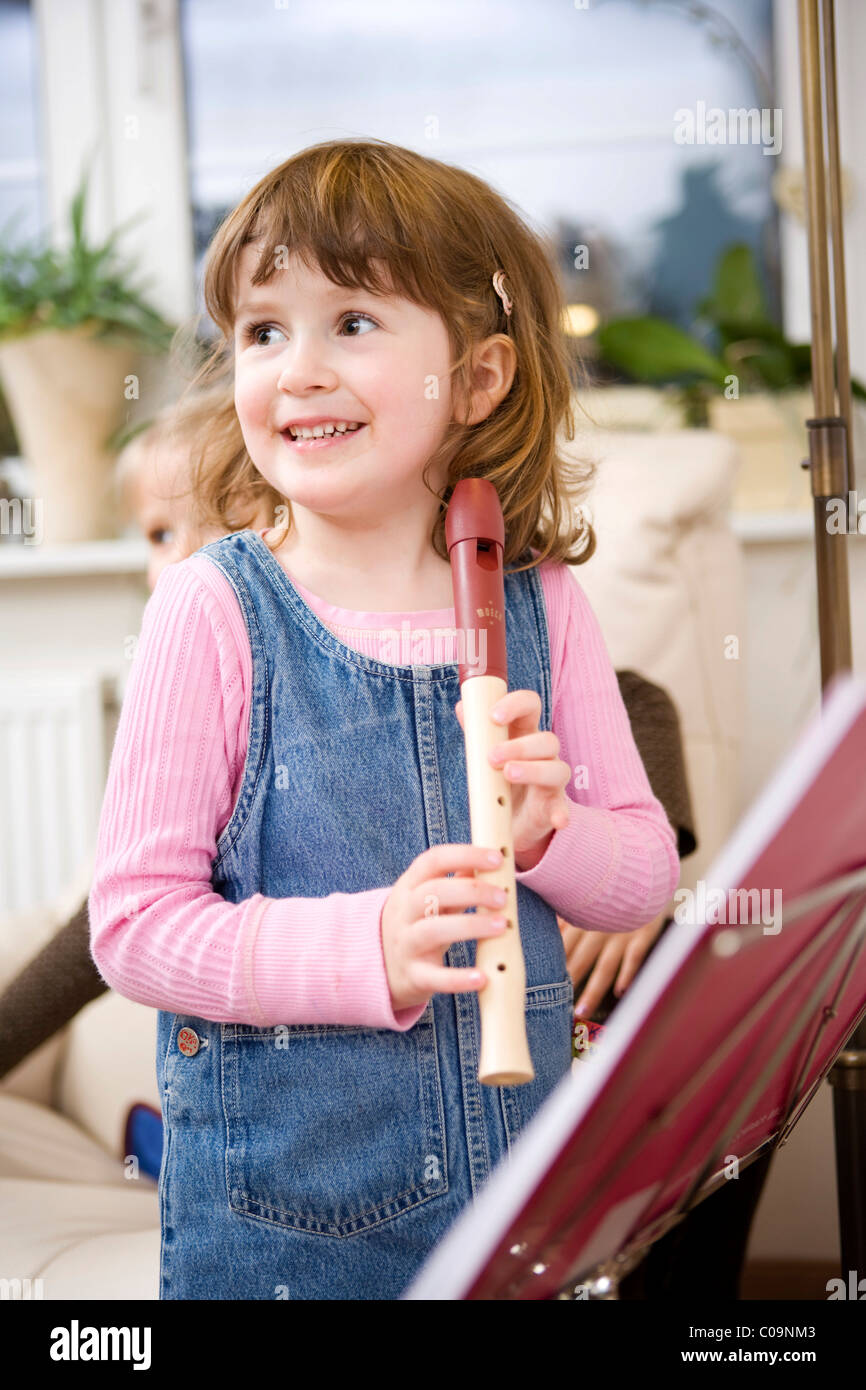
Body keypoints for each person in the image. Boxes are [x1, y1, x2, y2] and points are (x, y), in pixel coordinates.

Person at [86, 137, 680, 1301]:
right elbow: (133, 926)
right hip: (286, 1243)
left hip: (521, 1213)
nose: (296, 369)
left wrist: (556, 836)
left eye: (352, 321)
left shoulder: (540, 601)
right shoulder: (210, 611)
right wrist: (364, 948)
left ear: (477, 378)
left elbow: (644, 876)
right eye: (263, 331)